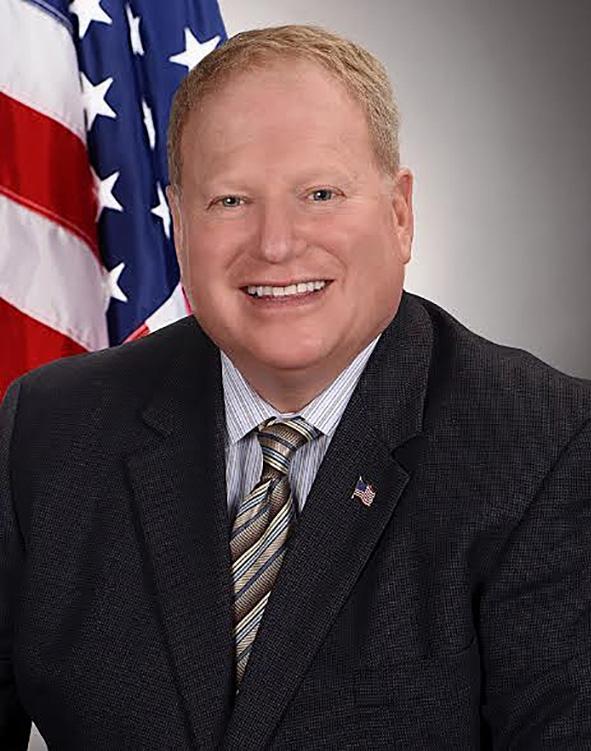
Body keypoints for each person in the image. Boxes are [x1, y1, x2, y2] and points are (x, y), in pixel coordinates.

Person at [1, 24, 590, 751]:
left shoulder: (550, 447)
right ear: (178, 224)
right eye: (230, 201)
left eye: (320, 193)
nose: (276, 244)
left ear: (400, 215)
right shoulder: (48, 428)